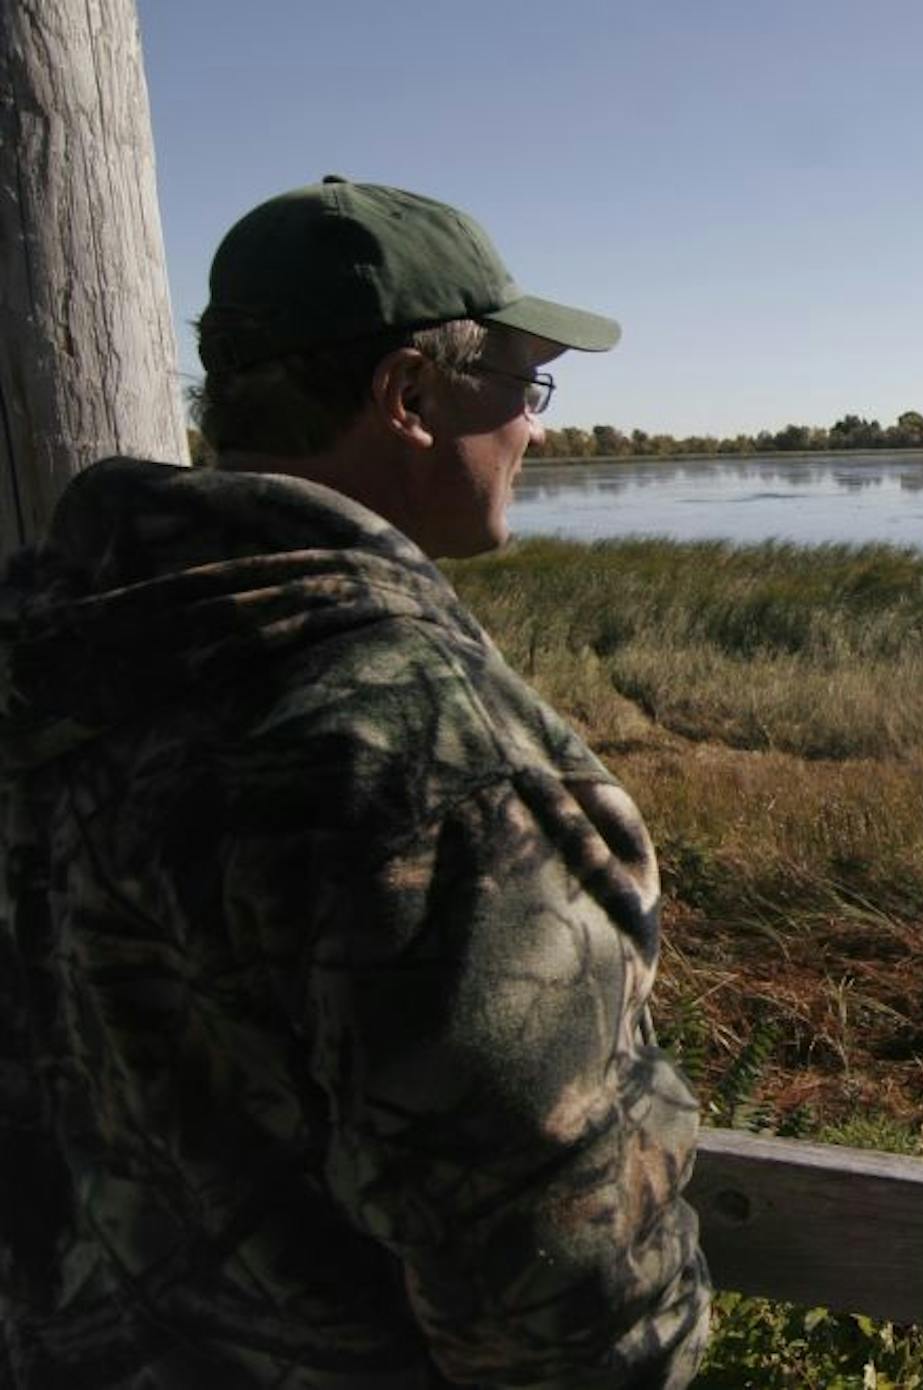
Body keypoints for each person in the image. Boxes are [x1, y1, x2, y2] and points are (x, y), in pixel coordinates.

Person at [0, 177, 711, 1387]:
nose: (534, 431)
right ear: (411, 395)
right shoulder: (420, 754)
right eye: (522, 389)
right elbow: (563, 1304)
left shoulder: (52, 651)